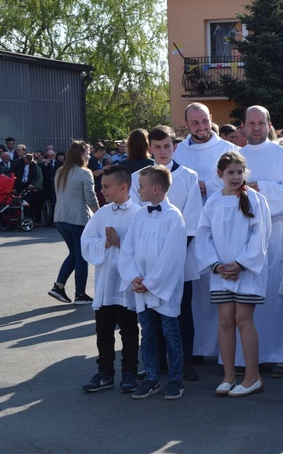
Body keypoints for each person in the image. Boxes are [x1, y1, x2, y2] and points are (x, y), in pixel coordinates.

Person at [240, 105, 283, 377]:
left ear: (269, 125)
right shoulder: (236, 157)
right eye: (251, 123)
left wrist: (262, 189)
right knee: (251, 296)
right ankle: (251, 354)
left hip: (278, 233)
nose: (256, 128)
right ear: (244, 126)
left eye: (261, 123)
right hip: (245, 235)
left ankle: (282, 355)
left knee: (280, 296)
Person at [195, 152, 271, 397]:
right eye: (230, 172)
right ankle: (228, 376)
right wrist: (215, 266)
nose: (236, 177)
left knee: (242, 319)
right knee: (225, 319)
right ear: (220, 175)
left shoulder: (256, 200)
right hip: (221, 272)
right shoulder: (213, 202)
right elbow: (203, 235)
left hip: (245, 271)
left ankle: (252, 377)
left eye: (240, 172)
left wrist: (240, 264)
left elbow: (260, 235)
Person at [131, 126, 204, 381]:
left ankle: (183, 363)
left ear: (175, 147)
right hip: (148, 262)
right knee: (151, 316)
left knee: (181, 312)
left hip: (179, 259)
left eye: (167, 146)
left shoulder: (189, 176)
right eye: (157, 147)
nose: (162, 151)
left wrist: (172, 259)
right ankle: (156, 363)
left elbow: (193, 220)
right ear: (150, 147)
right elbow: (135, 220)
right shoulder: (137, 178)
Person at [173, 102, 240, 360]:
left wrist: (208, 186)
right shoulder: (178, 153)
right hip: (190, 228)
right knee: (196, 289)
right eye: (194, 123)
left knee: (220, 288)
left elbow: (237, 181)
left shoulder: (229, 149)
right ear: (187, 124)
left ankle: (221, 349)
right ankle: (197, 347)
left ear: (210, 118)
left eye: (203, 121)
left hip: (222, 227)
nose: (200, 127)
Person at [119, 165, 187, 400]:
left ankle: (176, 378)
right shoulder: (140, 215)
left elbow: (172, 257)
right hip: (141, 287)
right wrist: (133, 277)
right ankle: (151, 377)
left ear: (156, 188)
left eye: (142, 186)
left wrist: (151, 282)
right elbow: (128, 249)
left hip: (163, 288)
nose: (138, 190)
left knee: (170, 332)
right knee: (147, 332)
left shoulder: (173, 217)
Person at [80, 164, 141, 394]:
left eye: (106, 186)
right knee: (103, 329)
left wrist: (120, 243)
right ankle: (105, 372)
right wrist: (104, 243)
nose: (101, 191)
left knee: (129, 330)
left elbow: (144, 250)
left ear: (123, 186)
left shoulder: (138, 214)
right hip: (106, 282)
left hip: (126, 285)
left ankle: (129, 372)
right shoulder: (102, 214)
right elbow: (86, 242)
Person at [48, 141, 99, 305]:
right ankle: (80, 294)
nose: (89, 156)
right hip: (78, 219)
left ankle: (59, 286)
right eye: (87, 153)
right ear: (80, 154)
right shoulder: (85, 173)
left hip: (60, 218)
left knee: (74, 254)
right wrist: (100, 215)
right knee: (81, 257)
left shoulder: (60, 171)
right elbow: (90, 197)